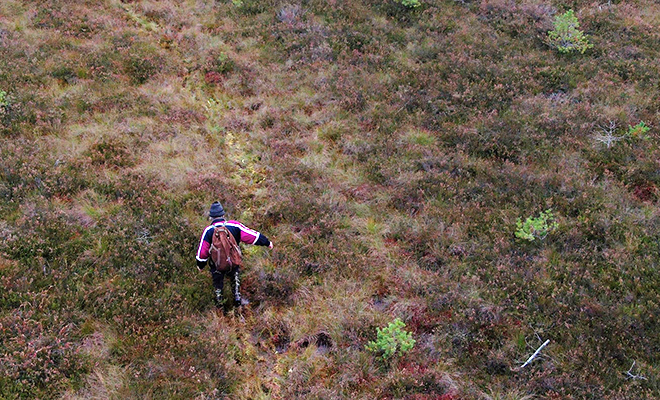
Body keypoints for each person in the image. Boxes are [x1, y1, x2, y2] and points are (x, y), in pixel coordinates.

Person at [196, 201, 273, 309]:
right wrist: (266, 242)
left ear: (211, 217)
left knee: (217, 280)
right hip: (233, 261)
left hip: (217, 265)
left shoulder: (208, 231)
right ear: (223, 215)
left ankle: (219, 302)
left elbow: (202, 252)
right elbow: (252, 236)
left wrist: (200, 265)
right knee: (234, 274)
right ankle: (237, 298)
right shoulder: (234, 226)